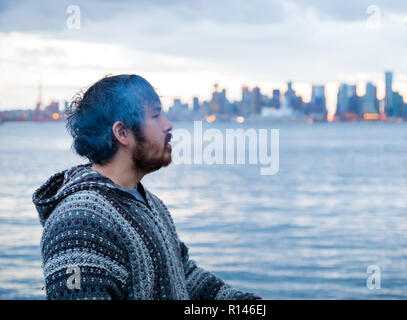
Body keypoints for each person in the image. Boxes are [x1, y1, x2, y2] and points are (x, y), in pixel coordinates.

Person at [32, 74, 261, 300]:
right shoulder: (79, 222)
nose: (168, 125)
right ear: (122, 133)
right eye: (156, 115)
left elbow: (185, 278)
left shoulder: (149, 203)